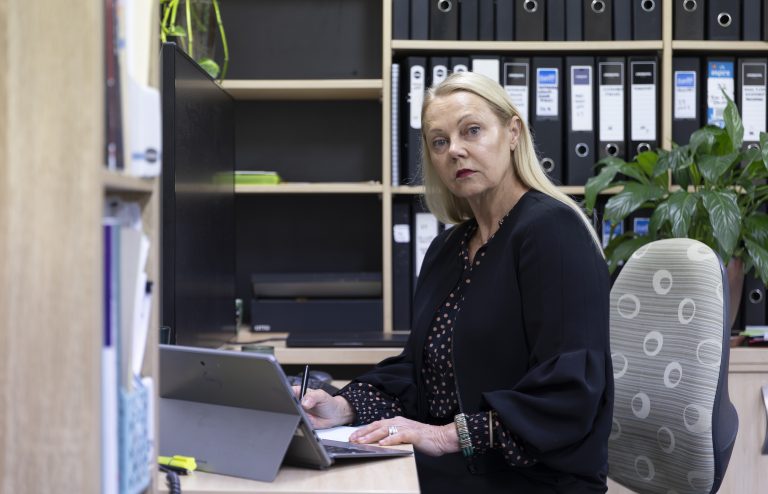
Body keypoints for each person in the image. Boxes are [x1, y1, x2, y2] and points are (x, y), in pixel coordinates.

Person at [296, 71, 613, 493]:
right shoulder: (448, 247)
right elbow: (421, 373)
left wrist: (447, 435)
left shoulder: (552, 231)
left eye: (472, 130)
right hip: (459, 467)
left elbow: (570, 394)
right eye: (439, 141)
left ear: (513, 132)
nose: (455, 151)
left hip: (532, 477)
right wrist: (343, 407)